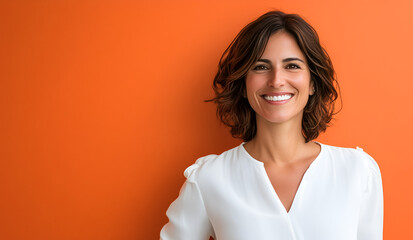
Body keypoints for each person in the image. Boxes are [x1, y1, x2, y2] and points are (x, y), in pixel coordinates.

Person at [159, 10, 383, 240]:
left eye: (292, 66)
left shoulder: (358, 172)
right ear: (243, 85)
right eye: (261, 67)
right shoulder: (210, 179)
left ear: (313, 83)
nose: (276, 80)